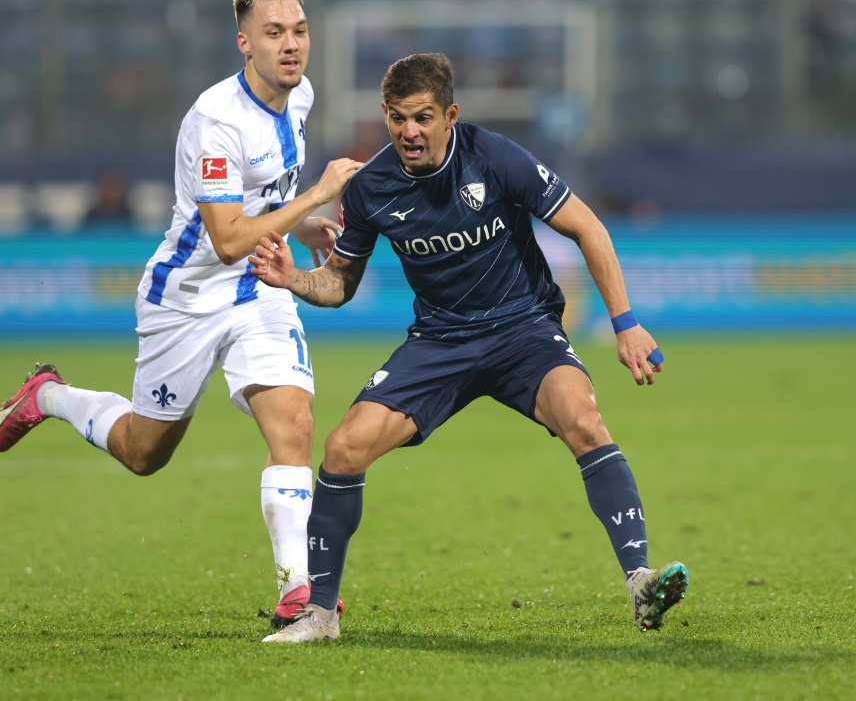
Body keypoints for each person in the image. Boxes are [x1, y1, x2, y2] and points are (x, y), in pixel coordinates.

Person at [251, 53, 688, 642]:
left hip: (523, 329)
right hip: (441, 342)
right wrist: (294, 281)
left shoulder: (495, 157)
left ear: (450, 115)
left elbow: (588, 227)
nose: (410, 131)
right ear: (385, 115)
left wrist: (625, 321)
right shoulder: (370, 187)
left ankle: (640, 581)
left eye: (424, 118)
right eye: (399, 118)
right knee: (344, 447)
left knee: (583, 419)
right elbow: (340, 282)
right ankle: (320, 615)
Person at [0, 0, 361, 626]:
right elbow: (223, 241)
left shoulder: (298, 95)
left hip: (259, 285)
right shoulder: (215, 120)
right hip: (184, 301)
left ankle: (295, 591)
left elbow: (260, 199)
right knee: (143, 452)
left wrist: (294, 224)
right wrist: (316, 198)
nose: (291, 43)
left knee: (294, 427)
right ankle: (47, 395)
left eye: (298, 29)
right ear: (244, 43)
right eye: (274, 33)